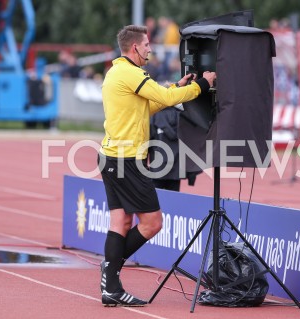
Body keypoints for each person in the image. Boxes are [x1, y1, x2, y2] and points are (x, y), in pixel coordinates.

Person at [97, 24, 216, 307]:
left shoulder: (118, 71)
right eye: (147, 44)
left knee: (121, 221)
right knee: (152, 223)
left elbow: (148, 107)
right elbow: (164, 99)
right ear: (135, 47)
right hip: (126, 160)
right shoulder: (130, 72)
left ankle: (110, 283)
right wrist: (202, 85)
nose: (150, 48)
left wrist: (178, 86)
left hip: (113, 158)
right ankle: (110, 271)